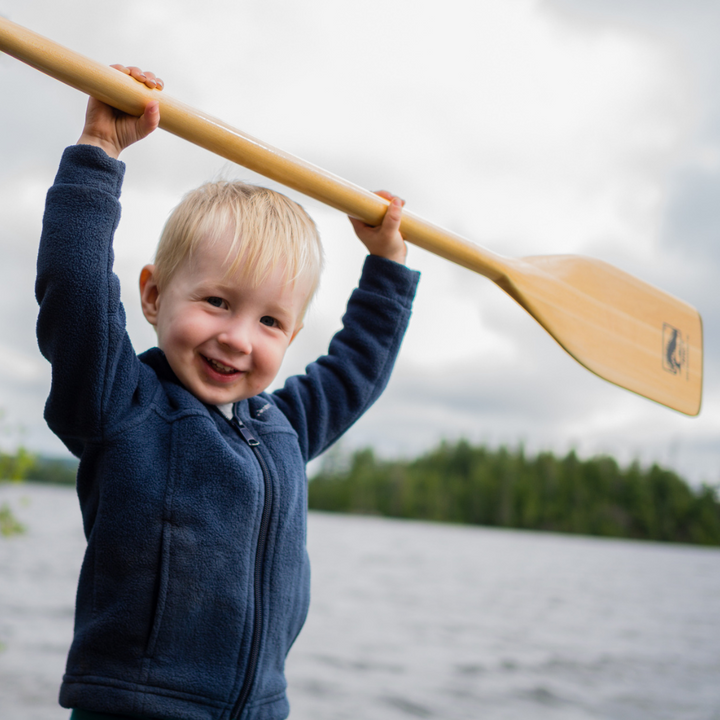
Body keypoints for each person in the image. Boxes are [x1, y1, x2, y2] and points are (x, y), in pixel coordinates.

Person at [35, 65, 419, 720]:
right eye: (216, 302)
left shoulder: (285, 426)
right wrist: (100, 147)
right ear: (153, 296)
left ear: (292, 332)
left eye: (270, 321)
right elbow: (74, 289)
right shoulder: (122, 404)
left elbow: (359, 367)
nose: (239, 339)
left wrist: (388, 263)